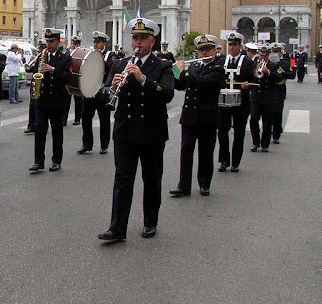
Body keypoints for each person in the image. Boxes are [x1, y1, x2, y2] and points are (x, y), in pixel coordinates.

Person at [98, 18, 174, 242]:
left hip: (151, 131)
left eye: (142, 38)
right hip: (125, 130)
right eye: (134, 37)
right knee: (122, 180)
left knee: (151, 179)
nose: (137, 42)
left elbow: (167, 93)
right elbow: (103, 94)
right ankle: (117, 228)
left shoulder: (162, 65)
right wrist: (111, 88)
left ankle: (150, 222)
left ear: (152, 40)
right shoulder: (120, 64)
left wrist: (143, 79)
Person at [170, 35, 225, 197]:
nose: (204, 52)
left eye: (207, 49)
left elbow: (203, 83)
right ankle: (184, 186)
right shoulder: (194, 67)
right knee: (186, 151)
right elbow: (182, 85)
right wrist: (172, 73)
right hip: (189, 117)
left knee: (206, 152)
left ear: (214, 50)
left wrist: (184, 73)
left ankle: (204, 183)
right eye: (201, 50)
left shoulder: (217, 68)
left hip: (207, 117)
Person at [29, 28, 72, 173]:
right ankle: (38, 162)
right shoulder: (42, 55)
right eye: (47, 41)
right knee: (39, 130)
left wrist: (53, 70)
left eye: (51, 41)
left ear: (58, 42)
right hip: (42, 99)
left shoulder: (65, 58)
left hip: (57, 99)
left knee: (56, 131)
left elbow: (67, 78)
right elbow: (35, 73)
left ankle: (56, 160)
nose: (48, 44)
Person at [217, 33, 255, 173]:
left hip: (241, 103)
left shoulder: (248, 62)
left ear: (240, 46)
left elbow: (254, 80)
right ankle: (224, 160)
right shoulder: (221, 60)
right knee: (222, 131)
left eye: (234, 45)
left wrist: (247, 85)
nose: (232, 47)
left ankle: (235, 162)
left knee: (239, 133)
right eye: (230, 44)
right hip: (224, 103)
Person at [78, 31, 118, 155]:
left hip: (102, 92)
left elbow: (111, 69)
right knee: (85, 118)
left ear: (104, 43)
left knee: (104, 119)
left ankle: (104, 145)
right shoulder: (90, 54)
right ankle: (87, 144)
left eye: (98, 42)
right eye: (94, 42)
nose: (95, 44)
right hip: (90, 91)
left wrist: (98, 59)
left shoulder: (109, 55)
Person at [249, 45, 282, 152]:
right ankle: (255, 142)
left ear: (268, 55)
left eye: (265, 55)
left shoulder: (274, 65)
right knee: (253, 119)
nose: (263, 58)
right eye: (261, 55)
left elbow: (279, 78)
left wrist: (268, 72)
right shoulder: (254, 64)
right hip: (256, 96)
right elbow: (249, 77)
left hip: (268, 96)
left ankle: (265, 144)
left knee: (267, 121)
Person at [272, 43, 295, 144]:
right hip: (269, 90)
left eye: (277, 52)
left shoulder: (285, 63)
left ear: (281, 53)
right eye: (274, 52)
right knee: (268, 113)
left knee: (277, 113)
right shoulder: (269, 62)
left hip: (279, 90)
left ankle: (276, 134)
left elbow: (292, 75)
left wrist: (283, 73)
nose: (276, 54)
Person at [24, 39, 47, 134]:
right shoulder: (38, 57)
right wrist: (29, 65)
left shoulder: (46, 58)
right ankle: (31, 125)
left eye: (41, 48)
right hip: (35, 82)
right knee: (32, 105)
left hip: (42, 83)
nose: (39, 50)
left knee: (40, 106)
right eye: (39, 48)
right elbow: (32, 70)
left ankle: (39, 124)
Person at [64, 36, 83, 126]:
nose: (74, 45)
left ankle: (77, 119)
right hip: (69, 79)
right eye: (73, 44)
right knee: (66, 101)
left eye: (76, 44)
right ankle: (64, 120)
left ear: (79, 44)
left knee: (78, 100)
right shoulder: (68, 54)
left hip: (77, 79)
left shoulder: (81, 53)